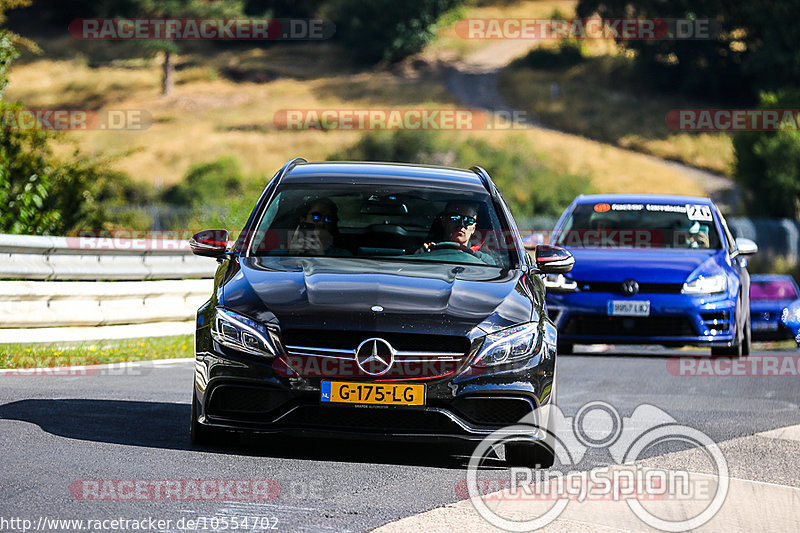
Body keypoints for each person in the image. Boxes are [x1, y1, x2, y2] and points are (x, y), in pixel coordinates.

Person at [418, 201, 496, 264]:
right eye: (455, 218)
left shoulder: (484, 262)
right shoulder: (427, 254)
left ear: (473, 228)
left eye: (468, 220)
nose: (461, 225)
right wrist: (420, 257)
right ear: (444, 221)